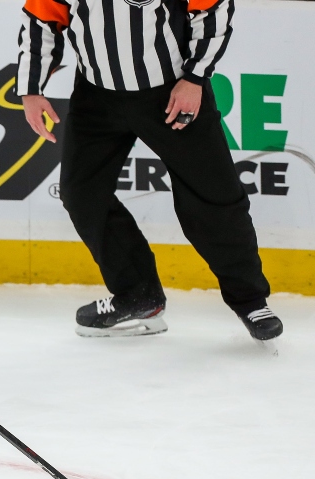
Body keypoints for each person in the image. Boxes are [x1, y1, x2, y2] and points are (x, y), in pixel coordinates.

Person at [17, 0, 283, 341]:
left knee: (212, 199)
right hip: (96, 97)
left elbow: (213, 10)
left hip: (172, 92)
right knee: (82, 194)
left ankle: (250, 300)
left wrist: (195, 78)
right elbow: (42, 19)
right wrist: (30, 87)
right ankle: (138, 294)